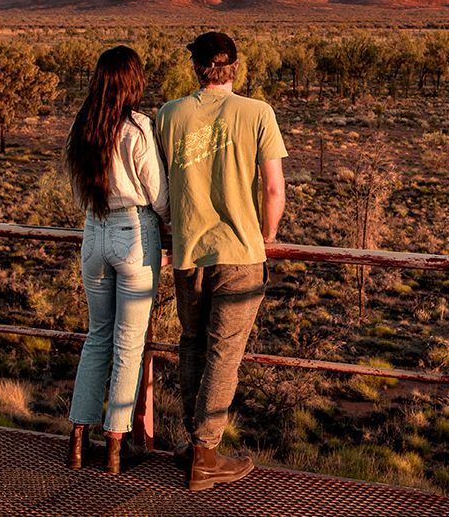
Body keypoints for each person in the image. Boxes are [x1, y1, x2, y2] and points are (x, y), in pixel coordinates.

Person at [155, 31, 286, 491]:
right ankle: (206, 455)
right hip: (240, 253)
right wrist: (267, 234)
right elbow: (273, 187)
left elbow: (162, 187)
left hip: (189, 252)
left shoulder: (169, 114)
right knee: (224, 355)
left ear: (196, 68)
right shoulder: (257, 113)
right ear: (235, 68)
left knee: (192, 344)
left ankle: (195, 447)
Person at [63, 45, 168, 474]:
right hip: (133, 234)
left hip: (93, 233)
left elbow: (76, 192)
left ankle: (76, 438)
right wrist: (171, 235)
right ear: (132, 81)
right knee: (128, 344)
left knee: (96, 338)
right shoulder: (138, 128)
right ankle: (114, 445)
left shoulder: (82, 126)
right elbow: (158, 194)